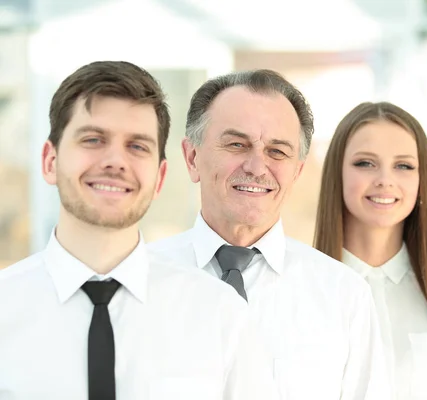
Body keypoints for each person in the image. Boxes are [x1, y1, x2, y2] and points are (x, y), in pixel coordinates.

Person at [0, 61, 275, 400]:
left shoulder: (220, 314)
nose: (116, 161)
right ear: (50, 161)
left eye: (137, 146)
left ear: (159, 178)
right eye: (93, 139)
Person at [148, 69, 392, 400]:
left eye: (277, 151)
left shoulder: (344, 297)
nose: (257, 167)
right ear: (192, 158)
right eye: (236, 144)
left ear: (297, 172)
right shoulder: (138, 282)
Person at [313, 101, 427, 400]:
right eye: (365, 163)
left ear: (421, 179)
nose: (385, 180)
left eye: (403, 166)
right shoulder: (300, 294)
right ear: (337, 172)